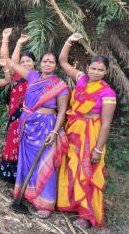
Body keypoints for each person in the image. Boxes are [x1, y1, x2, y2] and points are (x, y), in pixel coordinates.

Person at [57, 33, 116, 228]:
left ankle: (87, 214)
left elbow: (106, 123)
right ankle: (72, 203)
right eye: (94, 68)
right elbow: (63, 61)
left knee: (87, 170)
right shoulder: (81, 79)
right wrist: (69, 41)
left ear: (106, 71)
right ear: (87, 68)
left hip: (91, 134)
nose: (97, 72)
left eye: (101, 69)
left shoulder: (107, 93)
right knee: (72, 166)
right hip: (73, 130)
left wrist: (98, 149)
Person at [5, 50, 69, 218]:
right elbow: (12, 63)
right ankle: (27, 194)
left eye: (51, 61)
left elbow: (62, 112)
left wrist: (55, 132)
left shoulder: (60, 85)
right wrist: (15, 43)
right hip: (28, 126)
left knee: (44, 163)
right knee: (27, 162)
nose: (47, 63)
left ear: (56, 65)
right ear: (40, 63)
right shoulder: (33, 77)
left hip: (46, 127)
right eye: (45, 61)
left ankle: (45, 203)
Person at [0, 29, 36, 183]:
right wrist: (11, 40)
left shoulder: (38, 77)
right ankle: (10, 173)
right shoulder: (18, 75)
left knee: (27, 143)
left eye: (29, 61)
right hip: (15, 115)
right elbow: (8, 59)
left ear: (34, 63)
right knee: (13, 140)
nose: (26, 63)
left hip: (31, 117)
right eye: (23, 62)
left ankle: (25, 174)